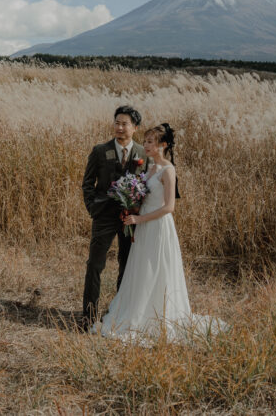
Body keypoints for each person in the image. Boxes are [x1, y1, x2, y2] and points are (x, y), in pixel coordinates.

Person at [94, 123, 228, 342]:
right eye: (145, 141)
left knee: (156, 268)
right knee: (142, 269)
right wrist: (131, 207)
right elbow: (145, 198)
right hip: (145, 224)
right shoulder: (149, 167)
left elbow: (168, 207)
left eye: (150, 142)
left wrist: (139, 218)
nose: (145, 145)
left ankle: (156, 316)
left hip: (158, 226)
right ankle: (137, 310)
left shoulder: (168, 170)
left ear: (163, 145)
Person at [81, 105, 146, 331]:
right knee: (95, 265)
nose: (119, 127)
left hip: (130, 220)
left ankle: (118, 313)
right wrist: (92, 208)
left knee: (126, 266)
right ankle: (88, 316)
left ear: (135, 127)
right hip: (104, 216)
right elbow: (87, 183)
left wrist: (139, 212)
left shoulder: (143, 153)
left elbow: (146, 185)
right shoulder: (100, 151)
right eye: (116, 122)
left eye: (124, 123)